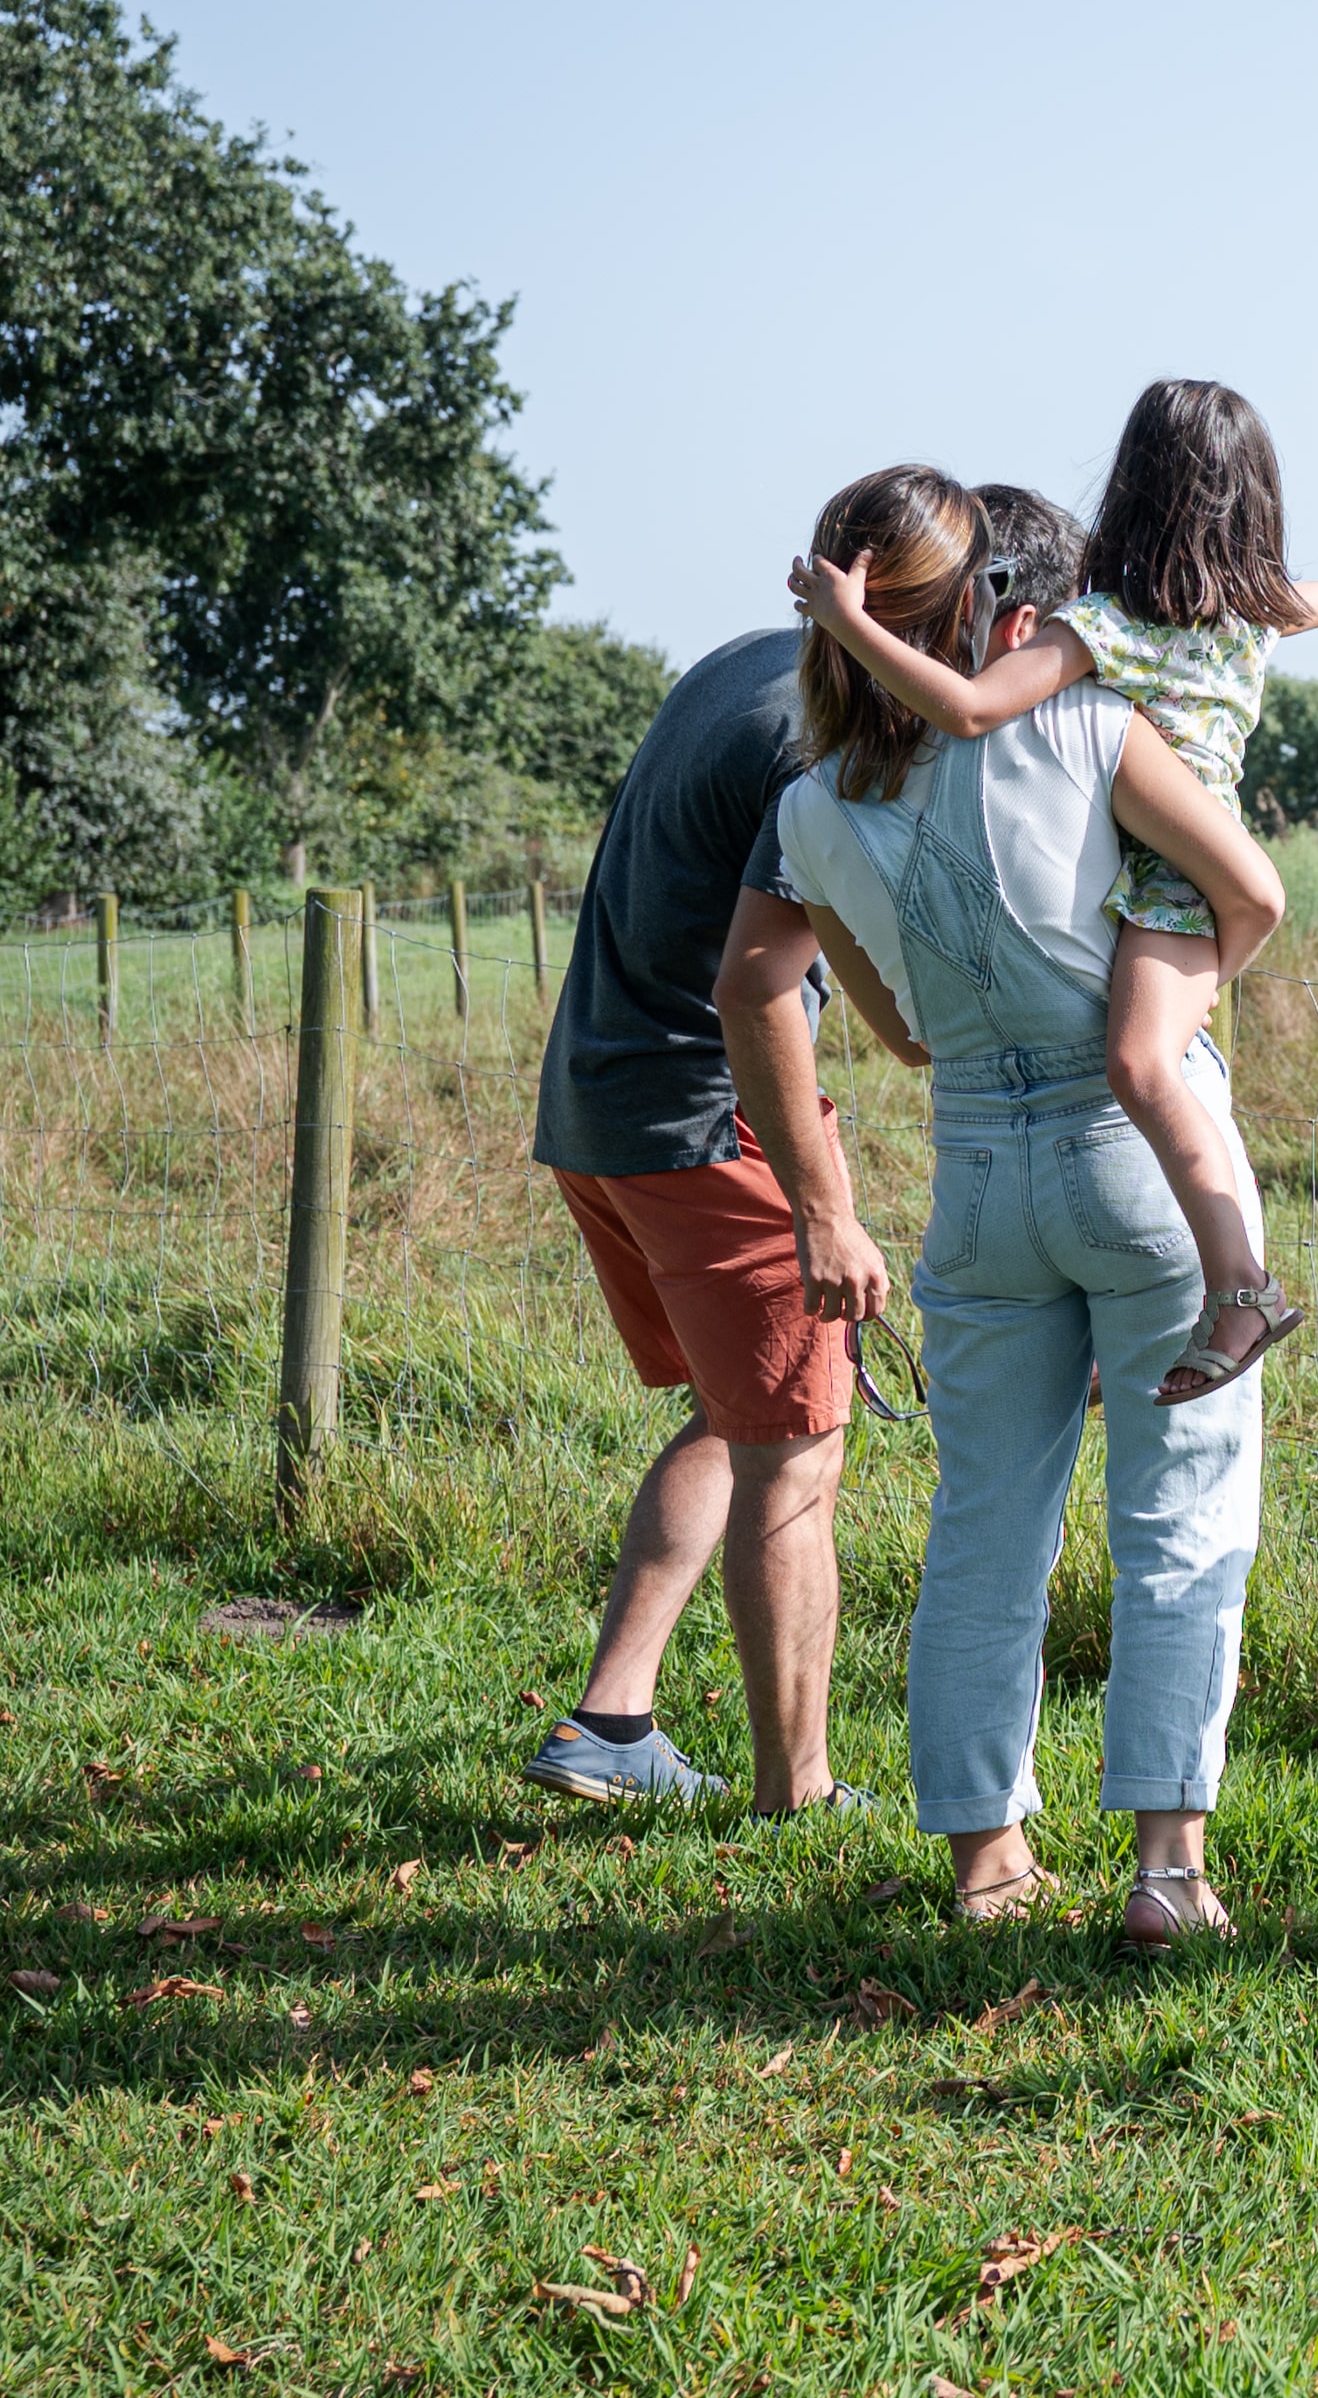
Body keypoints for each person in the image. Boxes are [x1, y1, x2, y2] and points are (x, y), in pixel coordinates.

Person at [774, 465, 1289, 1943]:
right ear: (990, 607)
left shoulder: (809, 807)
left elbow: (897, 1031)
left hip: (977, 1170)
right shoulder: (1087, 725)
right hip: (1137, 1151)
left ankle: (986, 1862)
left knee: (985, 1528)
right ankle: (1168, 1871)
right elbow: (1250, 894)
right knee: (1179, 1513)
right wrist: (1180, 1013)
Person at [789, 378, 1318, 1408]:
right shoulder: (1257, 613)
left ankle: (1242, 1290)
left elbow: (968, 710)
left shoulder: (1103, 629)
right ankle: (1142, 1312)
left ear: (1129, 489)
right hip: (1189, 875)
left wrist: (849, 624)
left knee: (1139, 1066)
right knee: (1151, 1063)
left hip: (1165, 882)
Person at [521, 615, 891, 1813]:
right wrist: (821, 1208)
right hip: (708, 1116)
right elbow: (761, 984)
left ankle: (610, 1723)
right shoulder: (818, 738)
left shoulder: (751, 661)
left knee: (740, 1420)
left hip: (601, 1096)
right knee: (797, 1448)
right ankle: (799, 1791)